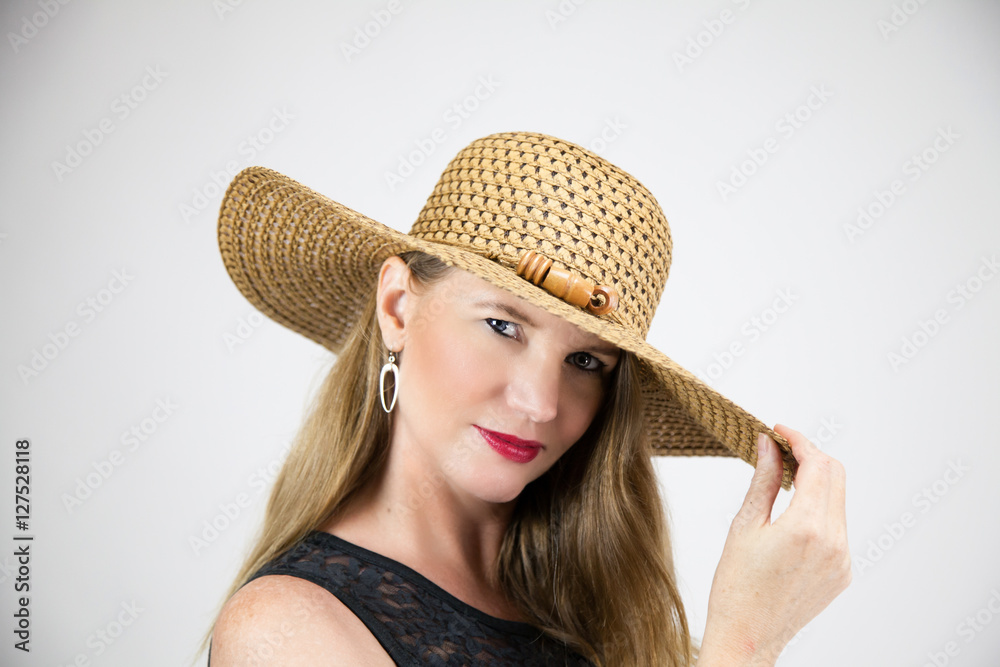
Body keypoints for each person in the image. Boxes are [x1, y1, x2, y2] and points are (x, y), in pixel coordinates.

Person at [201, 131, 850, 666]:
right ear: (397, 307)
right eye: (502, 325)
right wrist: (745, 642)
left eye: (586, 361)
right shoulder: (284, 630)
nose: (541, 403)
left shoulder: (600, 613)